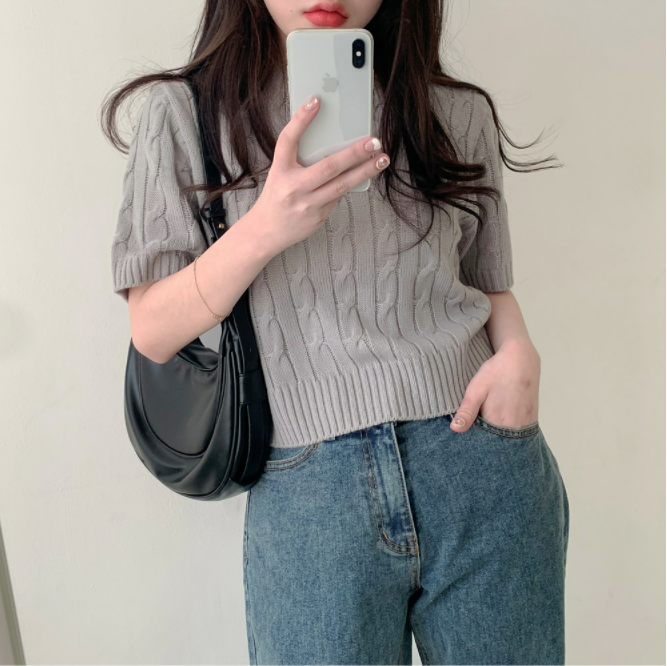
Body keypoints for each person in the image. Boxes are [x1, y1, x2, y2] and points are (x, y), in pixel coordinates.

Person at [103, 0, 569, 663]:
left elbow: (486, 281)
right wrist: (266, 226)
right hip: (309, 494)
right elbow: (152, 329)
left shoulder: (453, 110)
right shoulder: (184, 114)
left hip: (479, 465)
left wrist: (519, 356)